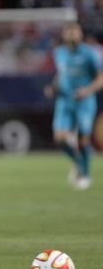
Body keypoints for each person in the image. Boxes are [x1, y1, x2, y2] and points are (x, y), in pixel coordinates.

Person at [44, 22, 103, 189]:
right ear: (64, 35)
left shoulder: (90, 54)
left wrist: (87, 90)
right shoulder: (59, 53)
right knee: (60, 138)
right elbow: (61, 74)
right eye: (68, 32)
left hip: (84, 101)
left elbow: (100, 78)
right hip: (65, 100)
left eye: (74, 32)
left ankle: (85, 175)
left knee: (83, 140)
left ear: (80, 34)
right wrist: (53, 87)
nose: (71, 35)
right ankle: (78, 162)